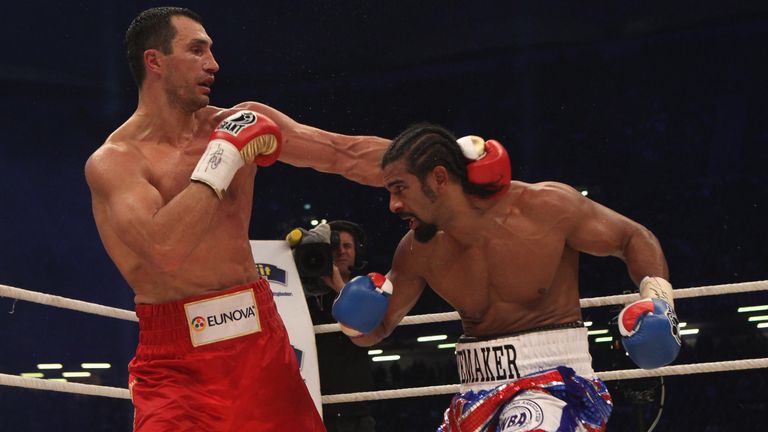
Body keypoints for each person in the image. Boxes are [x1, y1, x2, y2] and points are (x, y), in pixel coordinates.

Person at [84, 7, 388, 431]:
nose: (214, 63)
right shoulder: (116, 162)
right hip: (176, 360)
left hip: (260, 340)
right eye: (197, 50)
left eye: (211, 50)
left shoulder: (235, 121)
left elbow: (343, 154)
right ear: (155, 61)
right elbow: (163, 250)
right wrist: (222, 157)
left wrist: (440, 161)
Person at [331, 123, 681, 431]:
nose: (392, 204)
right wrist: (353, 323)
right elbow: (376, 330)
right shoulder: (416, 250)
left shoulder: (543, 208)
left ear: (438, 178)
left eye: (399, 188)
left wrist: (659, 301)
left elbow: (632, 237)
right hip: (473, 394)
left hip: (555, 382)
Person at [298, 220, 377, 431]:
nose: (341, 251)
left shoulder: (370, 288)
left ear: (357, 252)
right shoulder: (303, 295)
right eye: (334, 246)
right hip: (314, 404)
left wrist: (341, 288)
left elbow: (372, 333)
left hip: (357, 409)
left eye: (348, 246)